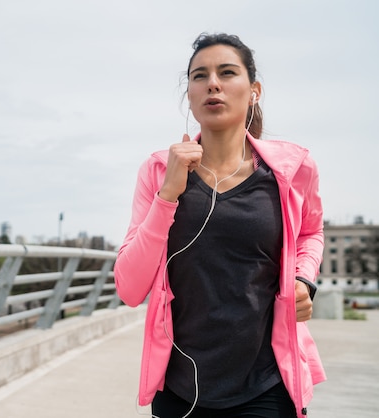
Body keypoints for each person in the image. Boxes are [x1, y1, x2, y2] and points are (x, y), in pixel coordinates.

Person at [114, 33, 325, 418]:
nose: (213, 83)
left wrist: (303, 278)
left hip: (266, 383)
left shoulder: (292, 169)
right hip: (181, 388)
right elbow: (129, 288)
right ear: (190, 96)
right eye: (199, 76)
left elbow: (311, 232)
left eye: (227, 73)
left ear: (254, 90)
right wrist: (168, 195)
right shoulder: (159, 171)